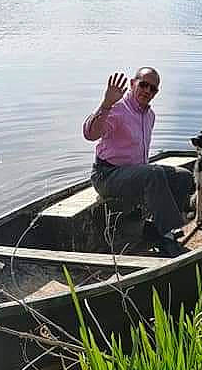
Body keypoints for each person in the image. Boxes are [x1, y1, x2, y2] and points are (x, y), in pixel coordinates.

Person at [82, 67, 194, 257]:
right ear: (133, 84)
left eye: (153, 89)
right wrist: (106, 103)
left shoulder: (149, 115)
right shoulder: (117, 109)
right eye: (143, 84)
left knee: (183, 177)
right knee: (154, 173)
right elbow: (90, 134)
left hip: (135, 173)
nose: (147, 91)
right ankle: (166, 236)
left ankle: (154, 227)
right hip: (107, 176)